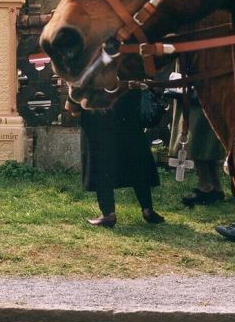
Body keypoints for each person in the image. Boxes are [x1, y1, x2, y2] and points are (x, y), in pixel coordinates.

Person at [77, 89, 165, 227]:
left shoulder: (90, 75)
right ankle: (147, 209)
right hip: (127, 110)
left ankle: (108, 214)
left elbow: (72, 109)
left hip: (98, 120)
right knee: (136, 161)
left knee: (102, 165)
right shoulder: (127, 71)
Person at [167, 64, 225, 207]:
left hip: (198, 81)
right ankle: (216, 187)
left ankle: (206, 186)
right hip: (194, 82)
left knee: (196, 135)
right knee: (203, 135)